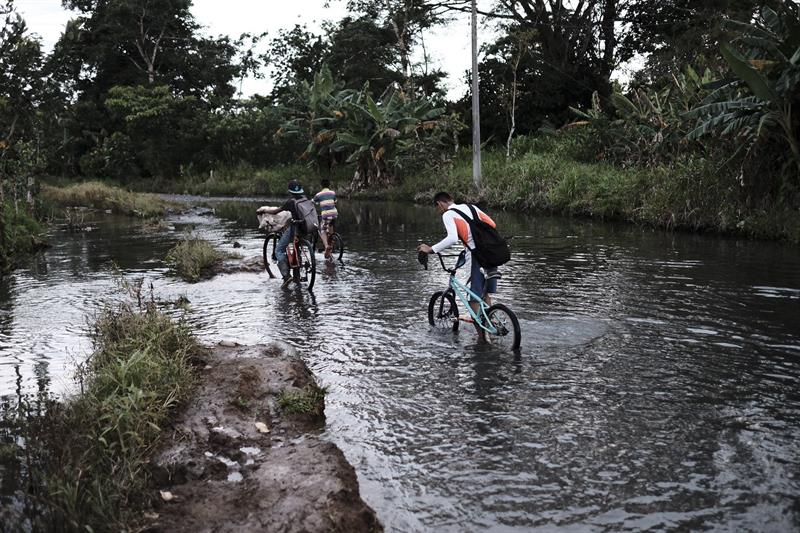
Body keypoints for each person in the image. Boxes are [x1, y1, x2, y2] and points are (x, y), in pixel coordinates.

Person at [417, 191, 499, 342]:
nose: (439, 211)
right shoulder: (471, 207)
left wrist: (431, 249)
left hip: (477, 255)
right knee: (484, 292)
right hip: (493, 251)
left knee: (472, 298)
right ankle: (492, 325)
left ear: (440, 204)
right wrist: (470, 242)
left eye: (437, 208)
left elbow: (453, 238)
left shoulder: (448, 214)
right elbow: (492, 224)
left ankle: (482, 337)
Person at [257, 179, 308, 288]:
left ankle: (286, 276)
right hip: (305, 229)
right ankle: (297, 276)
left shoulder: (291, 202)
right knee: (296, 247)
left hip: (295, 228)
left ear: (290, 191)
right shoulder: (305, 200)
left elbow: (276, 212)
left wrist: (264, 211)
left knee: (279, 250)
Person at [313, 179, 338, 259]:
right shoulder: (333, 193)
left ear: (321, 185)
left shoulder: (318, 195)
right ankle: (331, 244)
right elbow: (335, 201)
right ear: (329, 185)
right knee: (331, 227)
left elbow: (313, 202)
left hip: (326, 215)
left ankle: (327, 246)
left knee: (322, 229)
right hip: (334, 214)